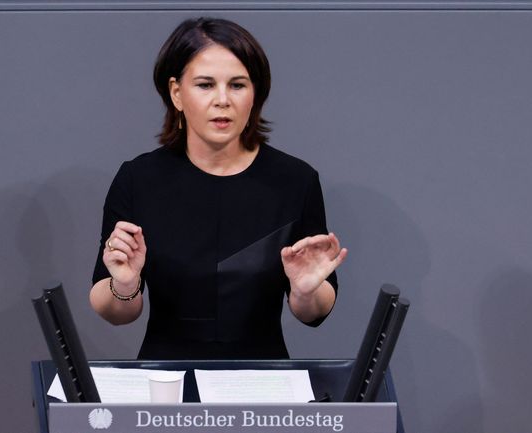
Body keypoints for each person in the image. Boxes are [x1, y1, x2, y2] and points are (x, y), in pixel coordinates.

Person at [89, 17, 347, 360]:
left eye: (237, 85)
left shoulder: (296, 180)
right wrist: (125, 284)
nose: (222, 100)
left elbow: (314, 311)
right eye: (205, 85)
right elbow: (114, 311)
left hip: (263, 381)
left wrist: (305, 292)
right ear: (177, 93)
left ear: (255, 94)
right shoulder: (138, 179)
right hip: (165, 380)